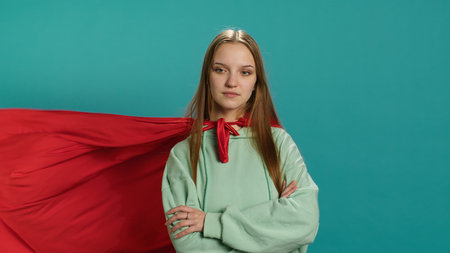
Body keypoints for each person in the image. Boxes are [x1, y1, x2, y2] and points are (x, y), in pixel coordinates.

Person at [161, 29, 319, 253]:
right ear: (207, 76)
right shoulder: (183, 154)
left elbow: (305, 222)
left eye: (245, 72)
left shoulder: (279, 143)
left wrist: (210, 222)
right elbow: (189, 245)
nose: (232, 82)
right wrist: (273, 227)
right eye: (220, 70)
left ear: (256, 82)